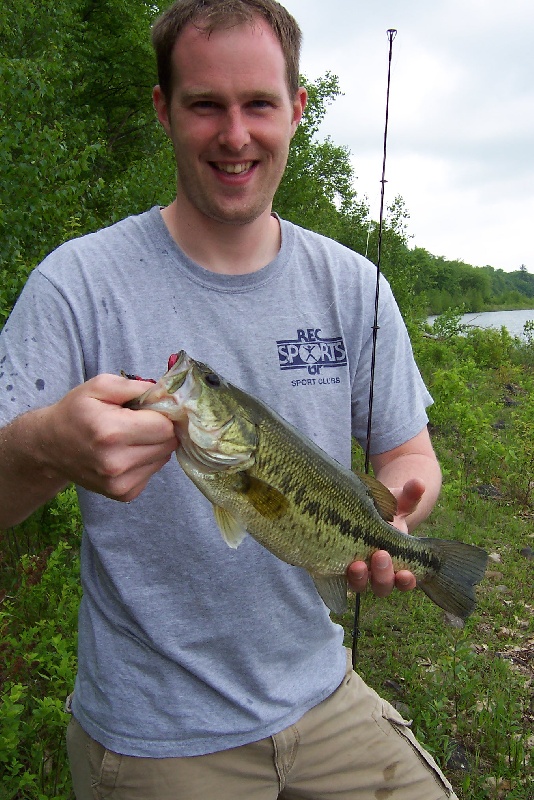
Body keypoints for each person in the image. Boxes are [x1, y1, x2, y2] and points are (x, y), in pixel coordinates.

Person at [0, 1, 454, 798]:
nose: (235, 135)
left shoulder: (354, 284)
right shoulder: (77, 284)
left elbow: (406, 453)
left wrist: (405, 517)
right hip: (158, 735)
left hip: (324, 690)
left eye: (259, 105)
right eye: (206, 104)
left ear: (297, 110)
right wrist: (43, 447)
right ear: (163, 110)